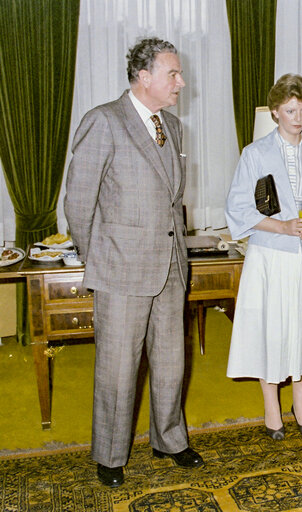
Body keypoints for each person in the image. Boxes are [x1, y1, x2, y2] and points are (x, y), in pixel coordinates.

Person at [64, 37, 203, 488]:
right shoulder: (103, 121)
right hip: (121, 268)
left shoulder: (175, 127)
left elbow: (173, 201)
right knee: (118, 367)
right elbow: (79, 204)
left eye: (179, 74)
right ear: (144, 78)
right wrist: (99, 257)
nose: (181, 82)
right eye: (173, 74)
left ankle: (170, 440)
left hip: (169, 268)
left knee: (170, 362)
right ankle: (109, 454)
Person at [225, 74, 302, 440]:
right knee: (273, 330)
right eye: (291, 110)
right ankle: (271, 408)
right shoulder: (255, 153)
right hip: (271, 258)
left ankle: (301, 406)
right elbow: (240, 209)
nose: (299, 117)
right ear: (276, 111)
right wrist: (284, 227)